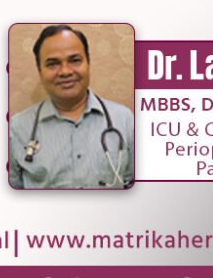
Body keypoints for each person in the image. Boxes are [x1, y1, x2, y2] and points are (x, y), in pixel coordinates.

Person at [9, 25, 134, 189]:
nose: (65, 71)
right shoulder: (17, 128)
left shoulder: (124, 119)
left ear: (88, 63)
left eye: (75, 60)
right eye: (53, 63)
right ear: (40, 71)